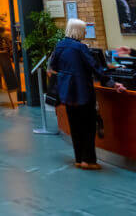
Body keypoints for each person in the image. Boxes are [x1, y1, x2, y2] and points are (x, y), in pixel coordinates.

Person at [47, 18, 127, 170]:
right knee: (88, 126)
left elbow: (54, 66)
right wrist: (111, 83)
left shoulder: (59, 45)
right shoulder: (81, 48)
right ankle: (89, 160)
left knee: (75, 126)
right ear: (78, 31)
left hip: (67, 93)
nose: (85, 32)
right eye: (84, 30)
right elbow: (95, 68)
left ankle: (79, 159)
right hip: (82, 91)